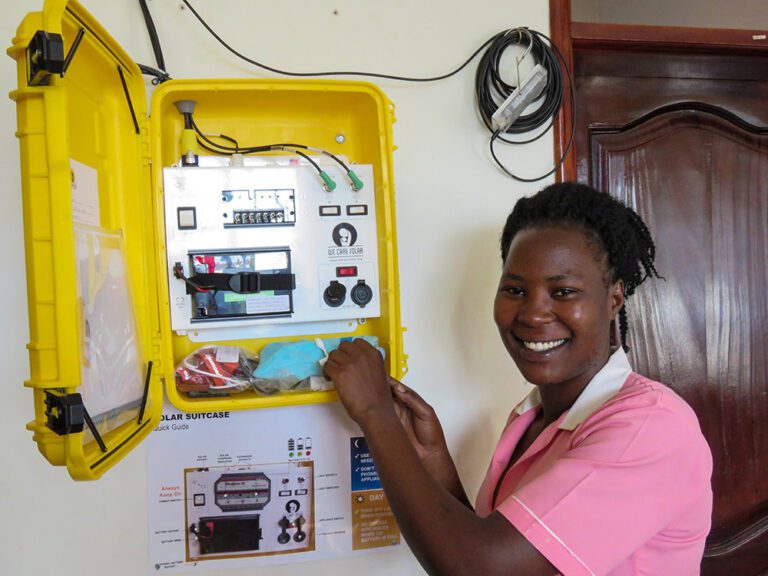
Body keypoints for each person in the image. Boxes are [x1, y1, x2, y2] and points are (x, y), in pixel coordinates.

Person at [324, 182, 713, 576]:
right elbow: (485, 543)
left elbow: (481, 569)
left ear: (613, 298)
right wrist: (432, 459)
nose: (532, 314)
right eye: (515, 289)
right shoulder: (533, 418)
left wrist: (376, 415)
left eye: (562, 291)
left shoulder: (649, 428)